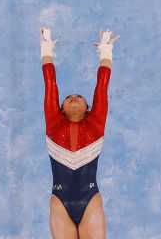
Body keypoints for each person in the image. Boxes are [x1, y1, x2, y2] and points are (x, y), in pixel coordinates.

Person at [41, 27, 117, 239]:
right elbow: (50, 84)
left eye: (79, 96)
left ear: (88, 107)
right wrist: (46, 47)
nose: (73, 98)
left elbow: (102, 87)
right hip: (60, 202)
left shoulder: (96, 122)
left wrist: (105, 51)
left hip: (89, 199)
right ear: (61, 108)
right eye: (69, 97)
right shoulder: (54, 122)